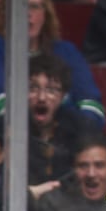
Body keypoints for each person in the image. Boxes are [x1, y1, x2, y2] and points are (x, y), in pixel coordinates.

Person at [0, 0, 104, 129]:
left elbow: (92, 107)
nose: (27, 13)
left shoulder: (67, 52)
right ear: (4, 14)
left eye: (34, 7)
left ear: (46, 14)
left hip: (69, 141)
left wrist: (70, 133)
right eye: (21, 6)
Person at [25, 52, 82, 189]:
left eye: (51, 90)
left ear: (63, 95)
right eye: (33, 88)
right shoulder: (4, 129)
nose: (42, 97)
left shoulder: (80, 130)